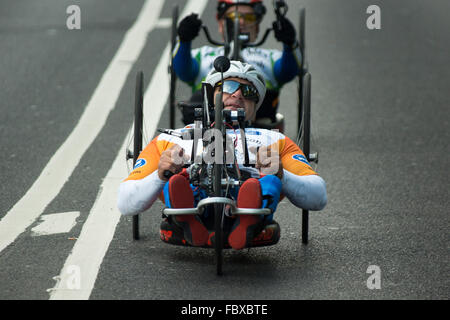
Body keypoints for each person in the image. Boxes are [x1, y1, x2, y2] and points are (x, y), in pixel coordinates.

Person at [117, 60, 326, 250]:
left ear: (256, 106)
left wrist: (282, 174)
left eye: (248, 91)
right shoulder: (173, 139)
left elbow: (318, 197)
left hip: (247, 197)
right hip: (194, 193)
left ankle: (246, 223)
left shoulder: (273, 139)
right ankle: (188, 218)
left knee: (269, 180)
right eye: (228, 87)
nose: (237, 95)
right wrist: (159, 175)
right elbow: (125, 201)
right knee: (176, 179)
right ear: (211, 96)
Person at [172, 0, 301, 127]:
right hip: (208, 110)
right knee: (196, 103)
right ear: (220, 22)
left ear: (257, 25)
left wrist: (289, 44)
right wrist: (184, 40)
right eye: (233, 16)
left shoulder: (271, 56)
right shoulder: (202, 54)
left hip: (258, 113)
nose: (242, 22)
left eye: (249, 18)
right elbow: (184, 72)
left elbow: (287, 72)